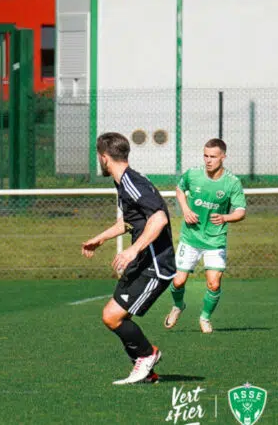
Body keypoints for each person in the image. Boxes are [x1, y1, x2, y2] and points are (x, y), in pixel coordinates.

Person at [81, 132, 175, 385]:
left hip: (155, 266)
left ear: (103, 158)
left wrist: (133, 250)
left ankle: (148, 355)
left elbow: (159, 218)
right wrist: (101, 238)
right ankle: (148, 369)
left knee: (114, 317)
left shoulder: (132, 182)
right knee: (111, 315)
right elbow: (132, 221)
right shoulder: (124, 182)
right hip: (142, 262)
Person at [164, 138, 246, 334]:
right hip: (191, 238)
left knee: (214, 282)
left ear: (223, 157)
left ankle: (205, 318)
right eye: (205, 156)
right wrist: (185, 209)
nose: (208, 160)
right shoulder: (193, 174)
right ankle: (178, 306)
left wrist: (226, 217)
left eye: (213, 157)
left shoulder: (232, 182)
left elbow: (241, 211)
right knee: (178, 282)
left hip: (215, 240)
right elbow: (179, 189)